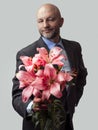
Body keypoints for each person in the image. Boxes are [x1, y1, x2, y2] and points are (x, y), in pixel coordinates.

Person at [12, 3, 88, 130]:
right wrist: (32, 106)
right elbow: (17, 96)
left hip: (66, 124)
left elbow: (81, 75)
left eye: (50, 19)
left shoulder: (74, 48)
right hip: (38, 124)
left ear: (61, 22)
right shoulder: (26, 53)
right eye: (40, 21)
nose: (45, 25)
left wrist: (71, 101)